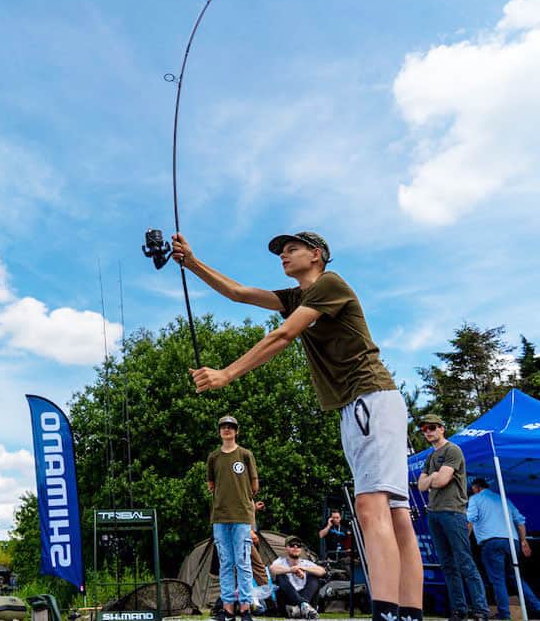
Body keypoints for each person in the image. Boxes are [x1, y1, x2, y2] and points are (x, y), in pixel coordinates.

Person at [172, 231, 423, 621]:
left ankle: (387, 613)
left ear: (317, 255)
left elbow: (285, 334)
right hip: (366, 405)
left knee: (370, 507)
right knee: (395, 514)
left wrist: (226, 374)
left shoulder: (329, 285)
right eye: (280, 252)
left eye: (291, 249)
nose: (283, 256)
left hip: (369, 400)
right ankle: (409, 613)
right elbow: (239, 293)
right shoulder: (297, 297)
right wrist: (192, 262)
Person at [417, 414, 489, 621]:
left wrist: (431, 478)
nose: (428, 431)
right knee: (447, 565)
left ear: (442, 428)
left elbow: (441, 481)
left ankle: (481, 611)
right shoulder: (431, 456)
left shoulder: (452, 450)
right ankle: (459, 610)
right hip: (434, 513)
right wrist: (433, 477)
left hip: (453, 512)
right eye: (424, 429)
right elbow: (422, 485)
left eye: (431, 427)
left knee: (465, 562)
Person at [466, 478, 540, 618]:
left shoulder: (475, 499)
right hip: (512, 542)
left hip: (491, 542)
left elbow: (470, 520)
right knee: (516, 577)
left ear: (475, 488)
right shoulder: (504, 499)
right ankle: (538, 607)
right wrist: (523, 541)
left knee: (498, 579)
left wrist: (464, 539)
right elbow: (521, 522)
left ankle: (504, 614)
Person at [208, 415, 259, 621]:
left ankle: (245, 608)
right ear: (219, 431)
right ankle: (228, 609)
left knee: (243, 561)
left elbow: (255, 485)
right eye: (223, 427)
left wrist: (243, 498)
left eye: (231, 427)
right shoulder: (213, 457)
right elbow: (211, 485)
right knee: (226, 562)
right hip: (220, 516)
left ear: (236, 431)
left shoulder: (245, 454)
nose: (227, 430)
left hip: (242, 515)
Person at [269, 535, 326, 619]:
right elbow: (272, 569)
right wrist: (291, 569)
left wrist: (303, 568)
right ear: (286, 548)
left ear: (301, 549)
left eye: (298, 545)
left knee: (314, 576)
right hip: (288, 600)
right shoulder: (280, 561)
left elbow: (322, 571)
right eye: (292, 545)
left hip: (306, 596)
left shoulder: (306, 563)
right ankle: (303, 605)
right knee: (280, 575)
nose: (295, 547)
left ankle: (302, 606)